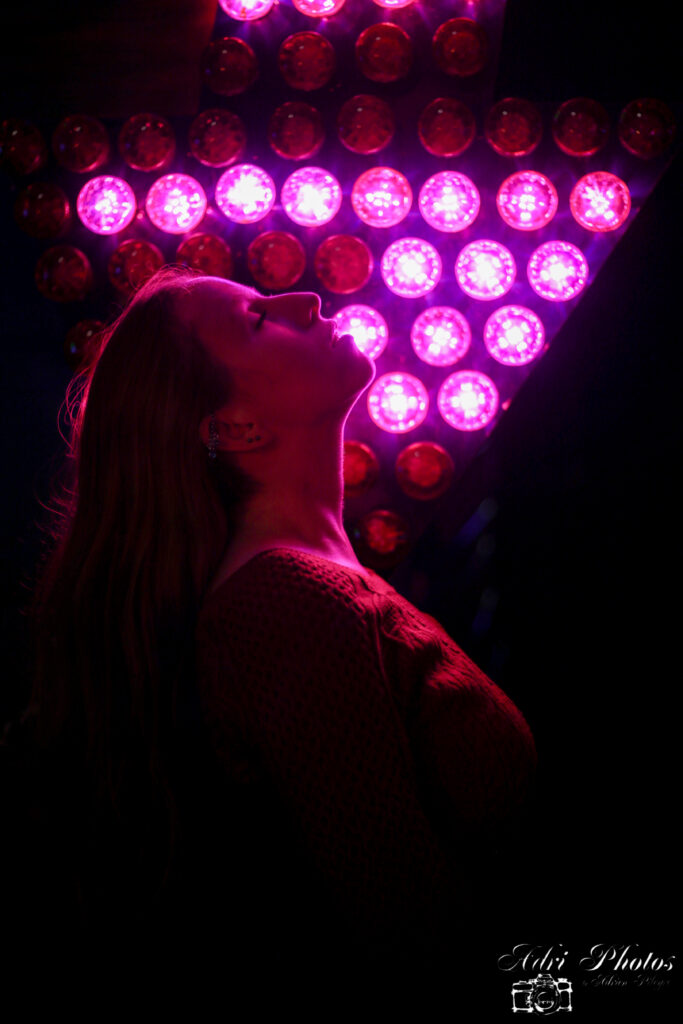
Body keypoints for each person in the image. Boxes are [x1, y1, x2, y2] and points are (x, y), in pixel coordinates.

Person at [4, 266, 536, 981]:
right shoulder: (284, 602)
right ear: (233, 426)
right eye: (258, 318)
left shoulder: (308, 588)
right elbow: (412, 936)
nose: (305, 299)